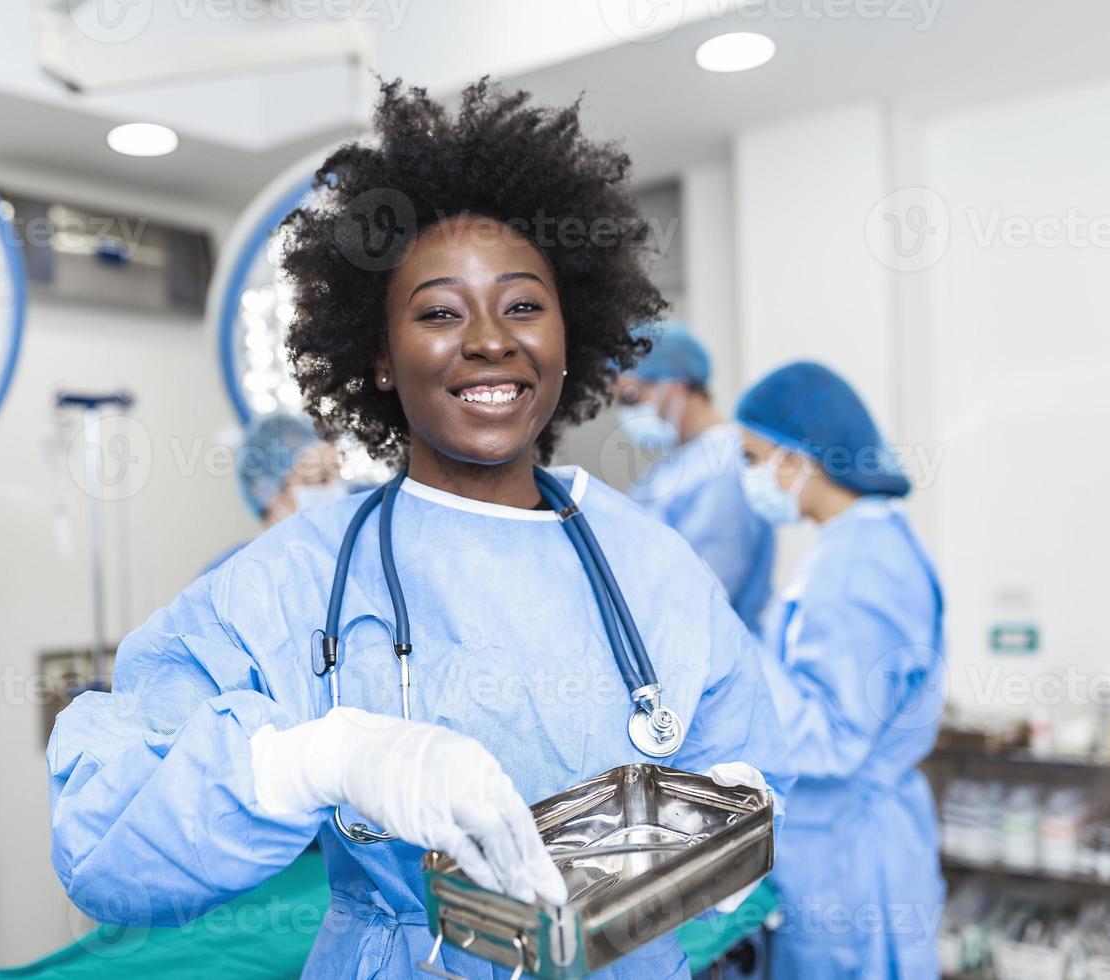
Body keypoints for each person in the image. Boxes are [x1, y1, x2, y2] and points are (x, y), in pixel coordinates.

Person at [47, 80, 794, 979]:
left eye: (523, 306)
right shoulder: (298, 580)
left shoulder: (648, 564)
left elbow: (750, 760)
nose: (489, 341)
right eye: (439, 312)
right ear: (378, 354)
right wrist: (323, 760)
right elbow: (99, 840)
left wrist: (737, 805)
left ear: (573, 332)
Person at [735, 362, 945, 979]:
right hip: (842, 846)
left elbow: (833, 740)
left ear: (798, 458)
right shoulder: (856, 546)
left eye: (754, 458)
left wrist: (738, 654)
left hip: (852, 861)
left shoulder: (858, 568)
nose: (750, 479)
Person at [615, 323, 775, 631]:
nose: (624, 411)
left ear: (675, 386)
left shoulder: (724, 466)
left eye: (631, 396)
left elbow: (708, 589)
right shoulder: (670, 465)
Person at [200, 412, 351, 575]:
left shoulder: (342, 555)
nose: (337, 489)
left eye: (337, 474)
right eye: (321, 479)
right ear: (268, 492)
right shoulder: (234, 574)